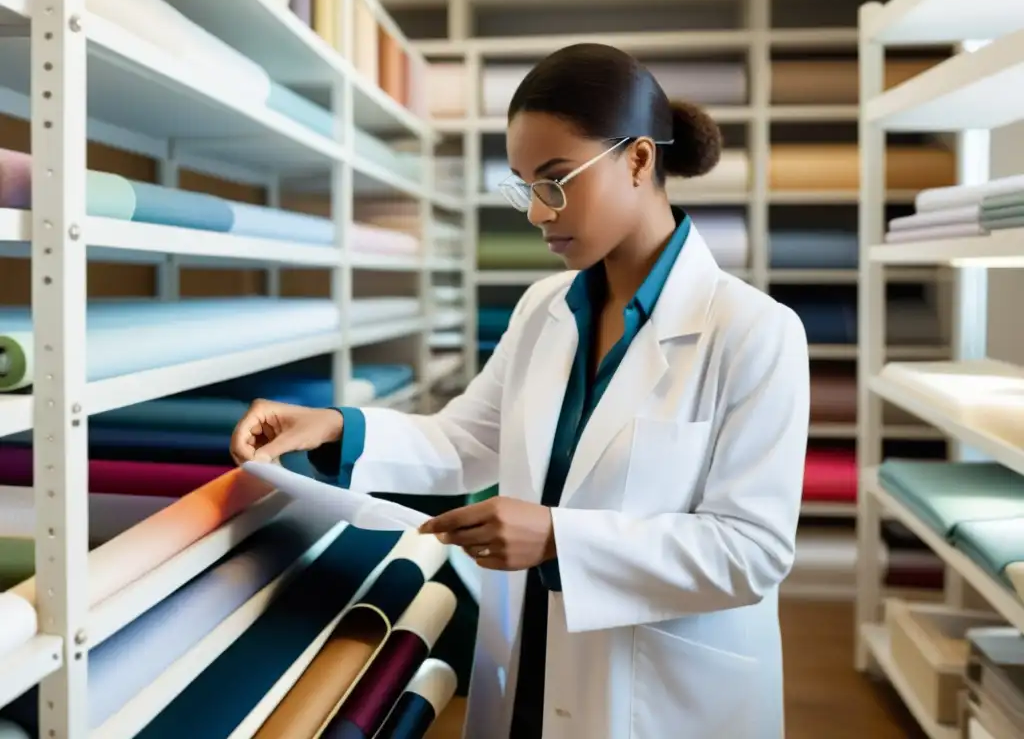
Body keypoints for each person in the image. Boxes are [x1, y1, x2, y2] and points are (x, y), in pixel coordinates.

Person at [230, 43, 809, 739]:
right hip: (534, 666)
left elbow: (751, 551)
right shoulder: (545, 308)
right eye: (525, 185)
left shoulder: (754, 331)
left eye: (557, 181)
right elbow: (468, 439)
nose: (538, 214)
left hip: (660, 699)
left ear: (638, 159)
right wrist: (334, 426)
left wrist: (559, 540)